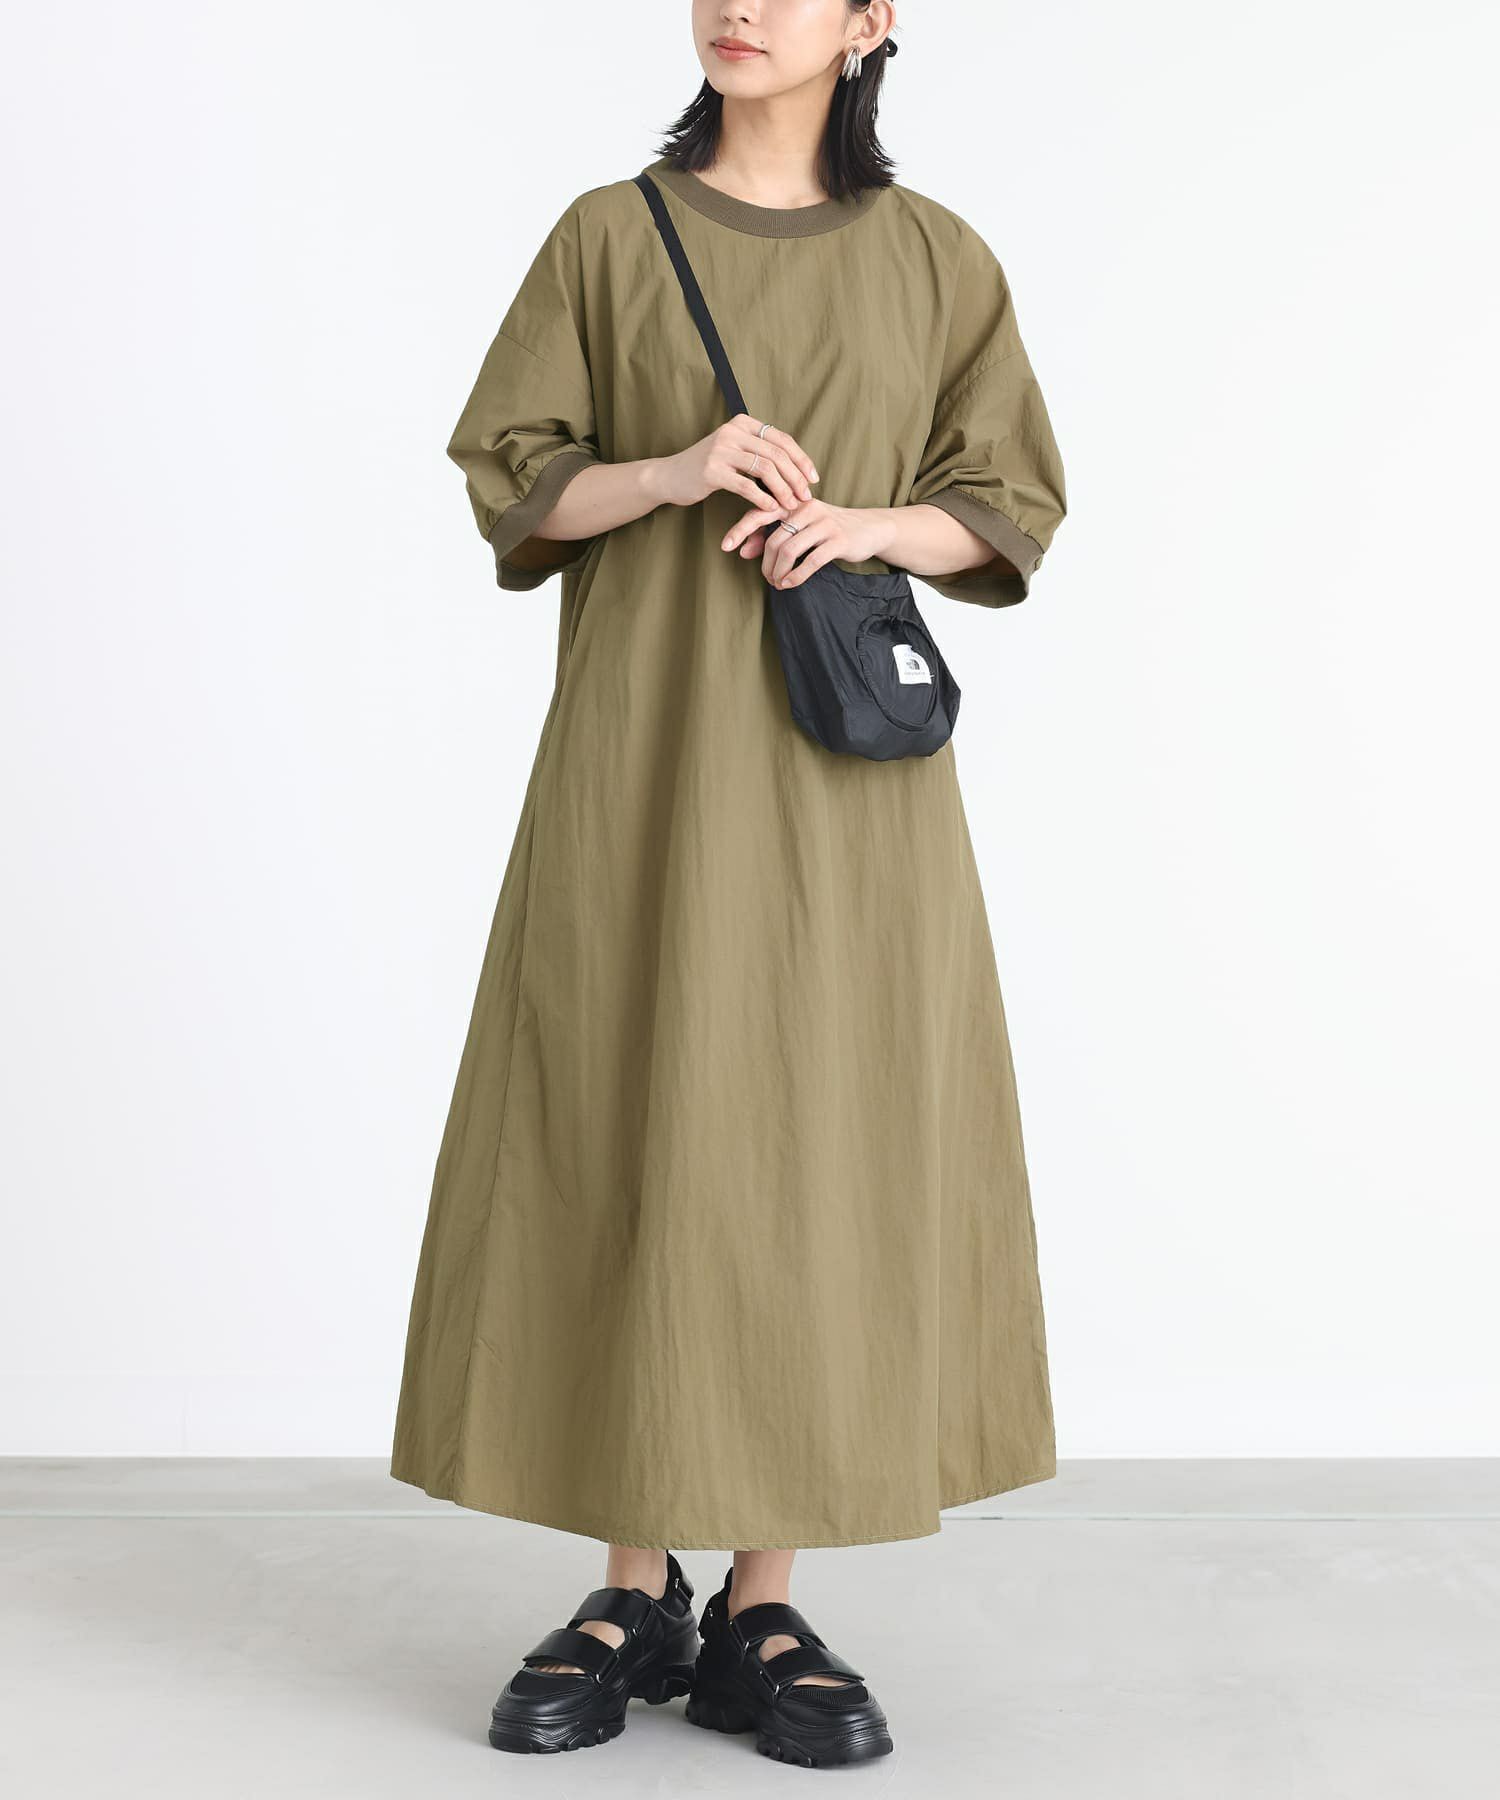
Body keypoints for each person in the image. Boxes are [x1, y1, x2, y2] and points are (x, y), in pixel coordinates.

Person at [391, 0, 1067, 1769]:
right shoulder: (609, 236)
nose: (738, 5)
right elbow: (517, 482)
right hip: (640, 769)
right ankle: (634, 1589)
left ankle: (763, 1604)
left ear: (874, 20)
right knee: (627, 1119)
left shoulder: (936, 258)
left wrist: (866, 527)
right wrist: (679, 469)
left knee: (813, 1148)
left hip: (849, 800)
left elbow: (1006, 500)